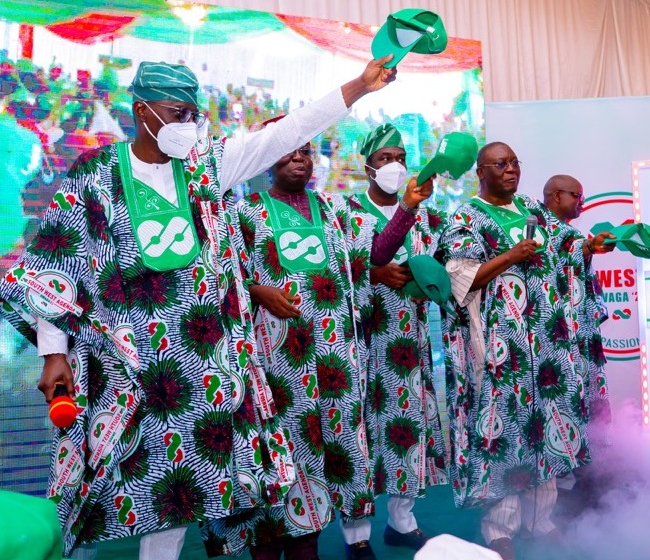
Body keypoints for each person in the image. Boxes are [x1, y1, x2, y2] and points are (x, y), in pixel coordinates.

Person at [0, 56, 396, 559]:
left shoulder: (207, 166)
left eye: (194, 114)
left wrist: (359, 86)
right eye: (177, 113)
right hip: (123, 366)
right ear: (142, 111)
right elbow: (59, 263)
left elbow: (289, 130)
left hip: (204, 365)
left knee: (185, 487)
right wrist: (53, 353)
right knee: (98, 479)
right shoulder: (94, 175)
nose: (187, 124)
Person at [201, 119, 435, 559]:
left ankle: (314, 543)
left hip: (334, 360)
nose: (298, 158)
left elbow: (376, 254)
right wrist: (257, 291)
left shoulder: (335, 210)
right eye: (287, 151)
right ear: (266, 159)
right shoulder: (242, 213)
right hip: (275, 363)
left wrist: (406, 208)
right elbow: (216, 274)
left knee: (331, 454)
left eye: (305, 151)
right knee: (279, 455)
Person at [440, 142, 595, 560]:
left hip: (544, 344)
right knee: (505, 430)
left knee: (545, 425)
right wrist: (511, 256)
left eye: (514, 163)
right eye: (501, 164)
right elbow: (463, 280)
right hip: (499, 346)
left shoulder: (531, 209)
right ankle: (500, 528)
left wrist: (590, 246)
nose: (511, 170)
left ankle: (540, 520)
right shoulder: (465, 218)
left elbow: (566, 245)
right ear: (481, 171)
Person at [341, 124, 449, 560]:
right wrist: (373, 272)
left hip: (409, 343)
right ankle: (356, 534)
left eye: (401, 157)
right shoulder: (346, 212)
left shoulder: (427, 216)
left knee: (408, 427)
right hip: (362, 341)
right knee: (360, 433)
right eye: (385, 158)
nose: (395, 165)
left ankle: (401, 523)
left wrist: (430, 283)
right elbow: (336, 267)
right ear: (367, 166)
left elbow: (441, 266)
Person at [541, 175, 615, 516]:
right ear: (556, 196)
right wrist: (588, 247)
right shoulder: (539, 232)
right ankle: (563, 488)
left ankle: (587, 477)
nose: (581, 203)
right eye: (577, 196)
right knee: (562, 408)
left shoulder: (569, 233)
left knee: (587, 407)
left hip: (582, 337)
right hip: (556, 342)